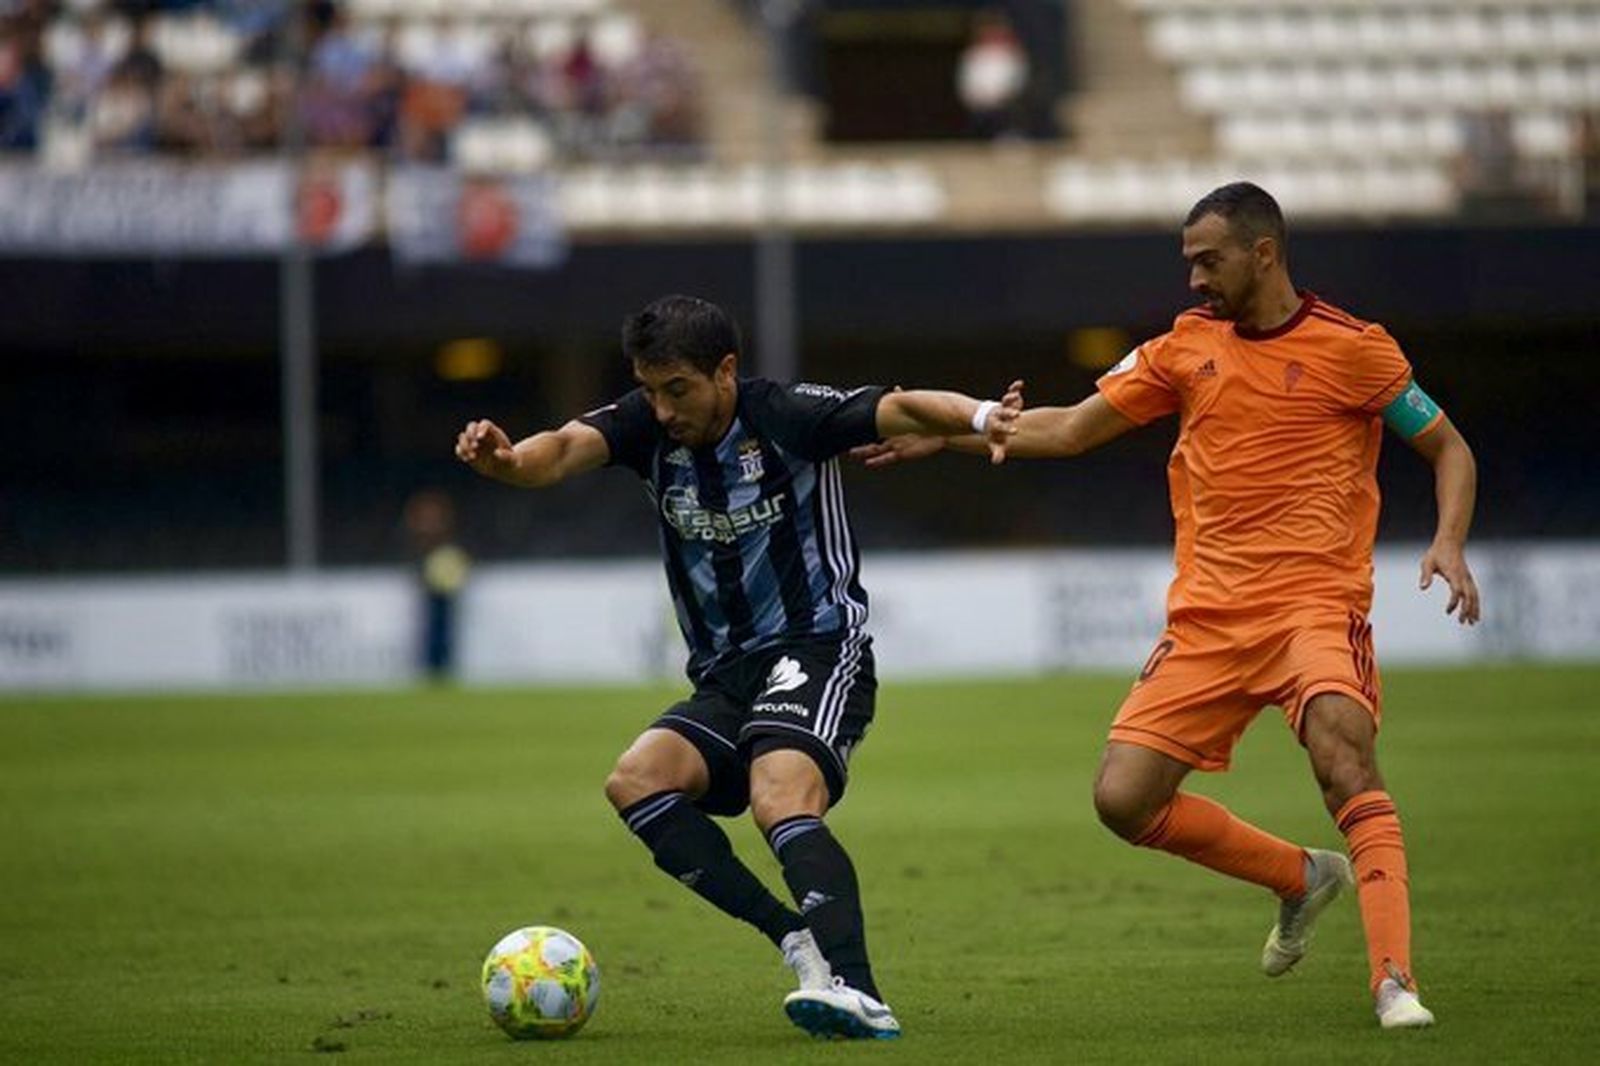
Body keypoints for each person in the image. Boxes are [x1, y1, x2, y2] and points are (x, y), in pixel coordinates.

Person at [856, 183, 1480, 1029]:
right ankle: (1301, 877)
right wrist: (957, 433)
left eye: (1207, 259)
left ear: (1264, 254)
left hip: (1313, 607)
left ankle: (1393, 980)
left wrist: (1447, 540)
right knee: (1123, 800)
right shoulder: (1183, 349)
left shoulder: (1356, 350)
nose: (1193, 278)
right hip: (1210, 620)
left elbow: (1448, 447)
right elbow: (1071, 430)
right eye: (1187, 260)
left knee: (1345, 756)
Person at [455, 294, 1021, 1040]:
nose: (660, 410)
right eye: (650, 390)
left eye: (677, 390)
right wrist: (508, 462)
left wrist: (982, 418)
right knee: (638, 781)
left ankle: (860, 990)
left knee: (778, 792)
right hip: (725, 675)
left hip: (818, 649)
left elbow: (905, 405)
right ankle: (796, 940)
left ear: (725, 371)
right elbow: (559, 449)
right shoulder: (643, 426)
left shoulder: (786, 415)